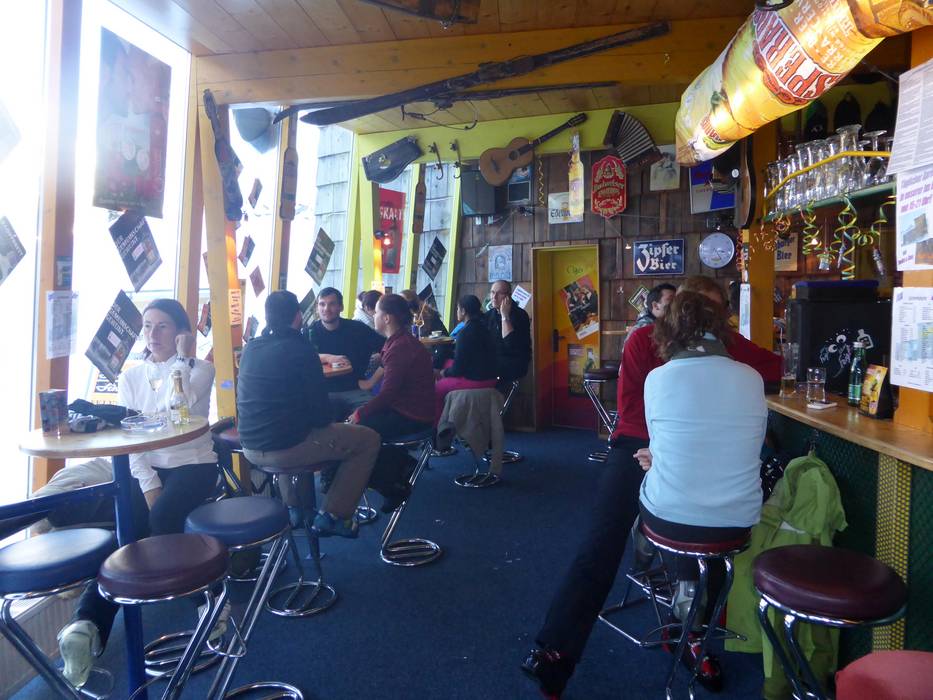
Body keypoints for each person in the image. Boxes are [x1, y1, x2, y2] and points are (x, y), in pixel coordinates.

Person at [524, 275, 781, 698]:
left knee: (706, 523)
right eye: (698, 305)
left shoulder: (726, 344)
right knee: (602, 539)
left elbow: (775, 367)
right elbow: (634, 409)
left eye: (714, 309)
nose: (704, 316)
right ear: (680, 306)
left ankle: (688, 631)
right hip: (636, 442)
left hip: (693, 453)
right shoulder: (643, 340)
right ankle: (556, 650)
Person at [58, 299, 219, 689]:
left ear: (181, 332)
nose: (152, 334)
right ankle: (87, 624)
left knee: (162, 519)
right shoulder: (130, 377)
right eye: (147, 326)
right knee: (125, 532)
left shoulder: (201, 369)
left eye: (163, 326)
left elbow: (176, 407)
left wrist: (183, 358)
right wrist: (149, 484)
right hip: (146, 467)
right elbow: (130, 438)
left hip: (194, 463)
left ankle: (212, 602)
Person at [636, 290, 767, 687]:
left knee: (661, 497)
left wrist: (660, 458)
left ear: (668, 330)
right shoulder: (751, 378)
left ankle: (667, 586)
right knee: (690, 502)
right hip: (737, 521)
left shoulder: (657, 378)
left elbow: (661, 444)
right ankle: (694, 612)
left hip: (672, 519)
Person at [237, 291, 380, 539]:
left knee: (287, 429)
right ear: (298, 316)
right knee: (368, 439)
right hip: (286, 448)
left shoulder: (251, 348)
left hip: (249, 447)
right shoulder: (302, 349)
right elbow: (321, 415)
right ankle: (334, 515)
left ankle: (296, 509)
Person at [347, 294, 435, 512]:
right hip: (413, 409)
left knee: (356, 434)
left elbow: (387, 394)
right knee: (360, 428)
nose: (374, 316)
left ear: (387, 318)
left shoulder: (399, 348)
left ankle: (391, 485)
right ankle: (399, 464)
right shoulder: (401, 342)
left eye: (377, 312)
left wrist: (360, 413)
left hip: (412, 415)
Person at [308, 287, 385, 419]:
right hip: (324, 393)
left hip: (356, 390)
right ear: (317, 308)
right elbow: (301, 358)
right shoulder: (309, 332)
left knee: (374, 418)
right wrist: (327, 357)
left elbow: (391, 349)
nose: (326, 309)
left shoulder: (357, 329)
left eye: (332, 304)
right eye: (322, 304)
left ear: (341, 307)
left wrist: (372, 381)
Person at [434, 294, 498, 421]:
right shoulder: (485, 328)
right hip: (491, 376)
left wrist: (443, 373)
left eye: (458, 308)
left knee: (436, 389)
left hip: (476, 380)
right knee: (447, 362)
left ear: (463, 311)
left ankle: (438, 426)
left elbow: (458, 369)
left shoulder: (464, 333)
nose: (457, 311)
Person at [485, 280, 532, 385]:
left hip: (513, 362)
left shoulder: (520, 315)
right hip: (494, 361)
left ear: (508, 296)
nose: (494, 297)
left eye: (499, 293)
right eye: (492, 292)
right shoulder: (488, 315)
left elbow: (510, 343)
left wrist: (505, 316)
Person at [624, 282, 676, 348]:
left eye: (677, 300)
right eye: (671, 300)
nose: (677, 304)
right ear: (655, 306)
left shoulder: (670, 322)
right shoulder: (642, 330)